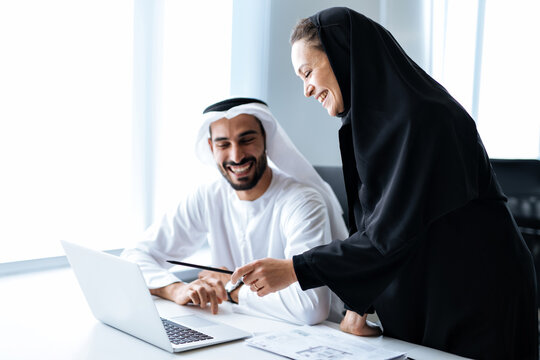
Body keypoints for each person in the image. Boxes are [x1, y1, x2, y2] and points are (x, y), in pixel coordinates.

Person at [231, 7, 538, 359]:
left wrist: (294, 269)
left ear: (343, 53)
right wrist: (357, 304)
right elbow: (380, 226)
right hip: (436, 289)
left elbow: (390, 234)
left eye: (308, 72)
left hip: (479, 295)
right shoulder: (372, 125)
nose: (306, 89)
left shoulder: (423, 119)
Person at [121, 97, 349, 325]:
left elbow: (310, 307)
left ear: (266, 140)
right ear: (211, 148)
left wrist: (231, 287)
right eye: (223, 144)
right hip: (240, 327)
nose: (236, 156)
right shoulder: (208, 196)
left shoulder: (302, 201)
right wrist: (175, 289)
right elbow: (134, 256)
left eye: (246, 140)